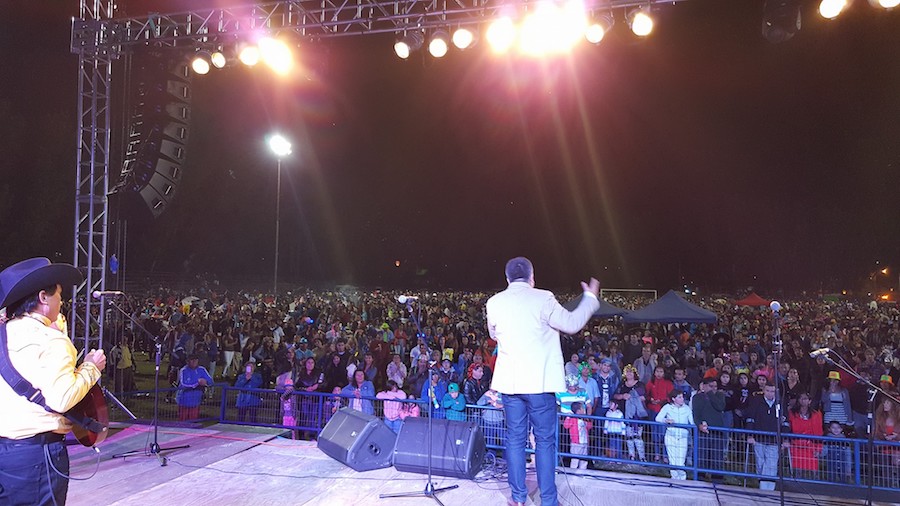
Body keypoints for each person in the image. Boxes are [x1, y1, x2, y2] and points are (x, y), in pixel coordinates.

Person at [486, 256, 600, 506]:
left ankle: (517, 498)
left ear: (506, 278)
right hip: (540, 385)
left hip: (511, 386)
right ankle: (548, 501)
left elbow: (493, 333)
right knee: (545, 442)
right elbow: (571, 324)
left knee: (515, 440)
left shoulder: (494, 302)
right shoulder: (543, 298)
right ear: (532, 277)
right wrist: (590, 298)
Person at [0, 257, 107, 506]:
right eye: (58, 294)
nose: (62, 301)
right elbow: (62, 398)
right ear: (43, 298)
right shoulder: (51, 340)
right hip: (38, 455)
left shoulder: (4, 334)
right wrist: (91, 367)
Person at [745, 384, 791, 490]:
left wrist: (785, 439)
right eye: (768, 391)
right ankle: (763, 486)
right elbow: (750, 418)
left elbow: (785, 422)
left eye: (773, 391)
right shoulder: (756, 401)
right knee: (760, 464)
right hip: (758, 438)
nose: (770, 393)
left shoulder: (781, 403)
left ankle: (767, 490)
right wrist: (750, 435)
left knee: (771, 464)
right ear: (763, 390)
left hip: (774, 440)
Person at [655, 390, 694, 480]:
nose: (682, 399)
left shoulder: (687, 408)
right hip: (671, 436)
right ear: (673, 399)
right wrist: (666, 420)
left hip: (683, 437)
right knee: (672, 460)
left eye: (682, 397)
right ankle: (675, 479)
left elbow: (692, 422)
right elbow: (658, 418)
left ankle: (682, 479)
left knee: (680, 461)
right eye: (679, 397)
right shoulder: (667, 407)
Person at [784, 392, 823, 479]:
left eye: (806, 399)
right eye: (801, 398)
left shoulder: (816, 414)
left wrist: (818, 448)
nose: (803, 401)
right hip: (796, 446)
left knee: (813, 471)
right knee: (797, 471)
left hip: (810, 447)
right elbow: (789, 429)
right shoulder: (792, 413)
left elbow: (818, 432)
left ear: (809, 401)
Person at [177, 354, 213, 421]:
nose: (194, 362)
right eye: (192, 360)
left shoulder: (202, 369)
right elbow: (184, 383)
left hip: (196, 400)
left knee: (193, 420)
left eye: (195, 360)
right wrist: (197, 383)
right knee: (183, 420)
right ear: (187, 361)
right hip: (184, 400)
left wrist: (206, 382)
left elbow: (210, 380)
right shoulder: (183, 370)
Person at [563, 402, 592, 470]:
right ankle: (573, 473)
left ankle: (583, 472)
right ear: (578, 411)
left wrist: (588, 420)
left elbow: (589, 426)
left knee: (584, 459)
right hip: (576, 443)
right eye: (583, 408)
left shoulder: (584, 418)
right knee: (575, 459)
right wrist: (568, 417)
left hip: (584, 442)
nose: (584, 410)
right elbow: (566, 426)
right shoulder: (573, 419)